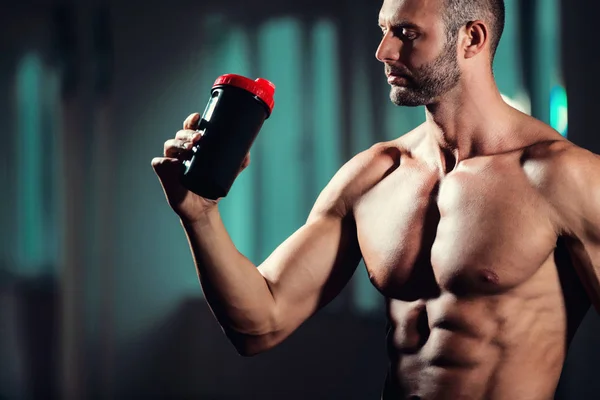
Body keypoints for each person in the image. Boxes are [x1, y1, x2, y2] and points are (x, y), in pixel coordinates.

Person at [152, 0, 600, 398]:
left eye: (406, 33)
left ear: (472, 38)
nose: (383, 52)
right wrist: (199, 215)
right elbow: (260, 323)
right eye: (383, 30)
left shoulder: (561, 177)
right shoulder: (376, 173)